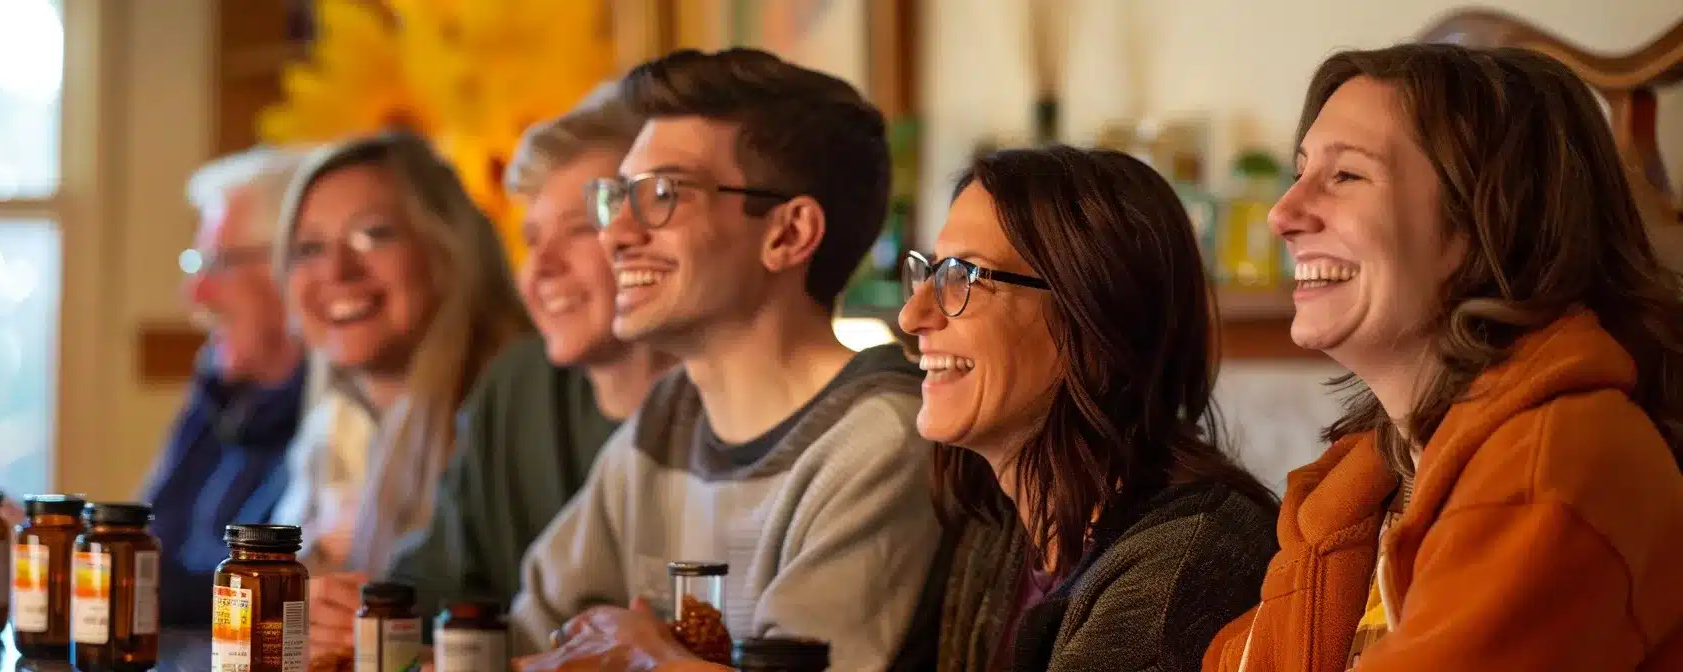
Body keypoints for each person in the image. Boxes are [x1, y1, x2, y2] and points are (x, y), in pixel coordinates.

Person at [1204, 44, 1683, 671]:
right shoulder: (1358, 488)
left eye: (1345, 175)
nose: (1281, 213)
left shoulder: (1554, 464)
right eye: (1300, 173)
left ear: (1491, 216)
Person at [510, 48, 944, 671]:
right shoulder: (670, 416)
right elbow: (525, 634)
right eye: (619, 196)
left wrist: (649, 658)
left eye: (663, 194)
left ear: (789, 233)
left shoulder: (881, 440)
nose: (616, 234)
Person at [302, 84, 678, 655]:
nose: (542, 268)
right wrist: (355, 613)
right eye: (531, 239)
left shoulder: (712, 410)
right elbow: (433, 588)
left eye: (580, 228)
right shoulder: (517, 384)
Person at [0, 147, 317, 629]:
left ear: (292, 268)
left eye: (218, 263)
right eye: (196, 264)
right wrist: (9, 531)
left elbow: (264, 596)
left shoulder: (333, 418)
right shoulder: (221, 393)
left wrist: (38, 550)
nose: (194, 294)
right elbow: (151, 551)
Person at [903, 146, 1278, 671]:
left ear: (1092, 320)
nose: (912, 314)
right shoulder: (997, 528)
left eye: (965, 276)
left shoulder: (1188, 561)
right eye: (931, 272)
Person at [270, 132, 532, 576]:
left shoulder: (516, 408)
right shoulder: (334, 427)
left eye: (373, 235)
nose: (336, 270)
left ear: (448, 250)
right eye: (309, 248)